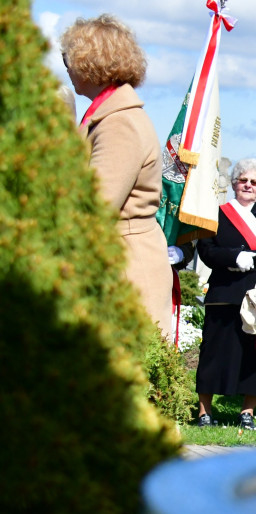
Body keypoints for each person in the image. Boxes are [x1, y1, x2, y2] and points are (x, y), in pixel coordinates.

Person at [60, 14, 173, 336]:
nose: (66, 68)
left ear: (87, 61)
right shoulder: (109, 116)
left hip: (125, 268)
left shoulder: (118, 123)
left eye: (68, 58)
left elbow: (95, 206)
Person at [195, 159, 256, 430]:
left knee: (254, 357)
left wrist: (253, 259)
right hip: (223, 296)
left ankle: (247, 413)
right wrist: (234, 256)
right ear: (234, 184)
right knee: (213, 354)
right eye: (243, 180)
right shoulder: (217, 213)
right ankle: (204, 412)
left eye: (254, 182)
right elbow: (207, 250)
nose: (248, 185)